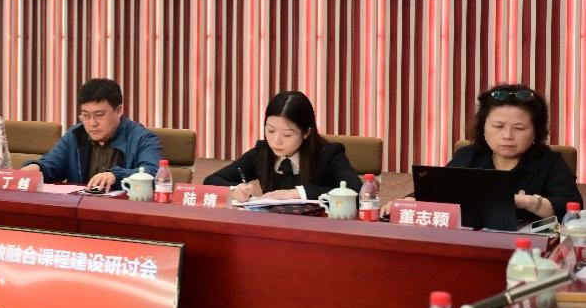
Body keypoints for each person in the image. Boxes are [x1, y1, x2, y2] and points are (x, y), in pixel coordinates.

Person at [400, 84, 576, 222]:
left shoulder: (549, 161)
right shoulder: (468, 155)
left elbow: (571, 208)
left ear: (536, 131)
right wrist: (409, 201)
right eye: (498, 126)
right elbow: (436, 190)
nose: (507, 136)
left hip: (526, 247)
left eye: (519, 128)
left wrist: (527, 201)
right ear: (483, 128)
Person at [206, 90, 360, 202]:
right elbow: (211, 180)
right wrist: (235, 191)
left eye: (287, 134)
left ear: (306, 133)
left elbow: (357, 192)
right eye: (270, 130)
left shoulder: (329, 154)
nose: (276, 141)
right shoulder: (261, 152)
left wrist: (297, 193)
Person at [26, 78, 158, 191]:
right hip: (80, 208)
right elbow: (52, 164)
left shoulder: (142, 138)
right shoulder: (76, 135)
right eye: (86, 116)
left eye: (99, 115)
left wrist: (115, 175)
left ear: (118, 111)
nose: (92, 123)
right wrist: (36, 168)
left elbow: (153, 173)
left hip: (123, 209)